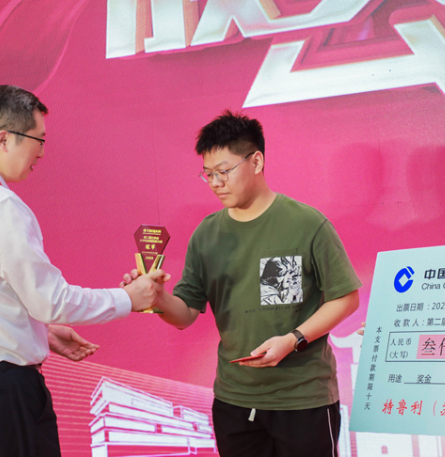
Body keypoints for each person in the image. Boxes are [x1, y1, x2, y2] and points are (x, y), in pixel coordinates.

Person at [0, 85, 166, 457]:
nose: (42, 153)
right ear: (4, 139)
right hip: (1, 394)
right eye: (39, 140)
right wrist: (128, 298)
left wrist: (38, 331)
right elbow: (51, 300)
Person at [123, 110, 361, 457]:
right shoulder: (207, 234)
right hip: (234, 401)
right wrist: (158, 299)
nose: (215, 182)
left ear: (257, 161)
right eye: (208, 174)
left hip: (303, 398)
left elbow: (346, 298)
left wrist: (293, 339)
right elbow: (185, 313)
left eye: (224, 171)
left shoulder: (307, 223)